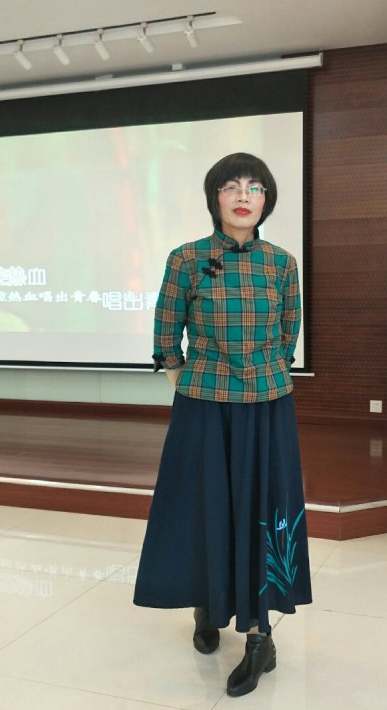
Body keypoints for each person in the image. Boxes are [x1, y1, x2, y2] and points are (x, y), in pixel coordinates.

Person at [133, 152, 312, 697]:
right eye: (232, 186)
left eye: (255, 187)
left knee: (263, 510)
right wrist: (184, 377)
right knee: (204, 505)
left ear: (266, 200)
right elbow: (167, 331)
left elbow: (288, 332)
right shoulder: (186, 258)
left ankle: (260, 637)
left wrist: (262, 373)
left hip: (266, 405)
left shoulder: (281, 263)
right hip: (204, 403)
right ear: (216, 197)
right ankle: (206, 604)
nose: (243, 196)